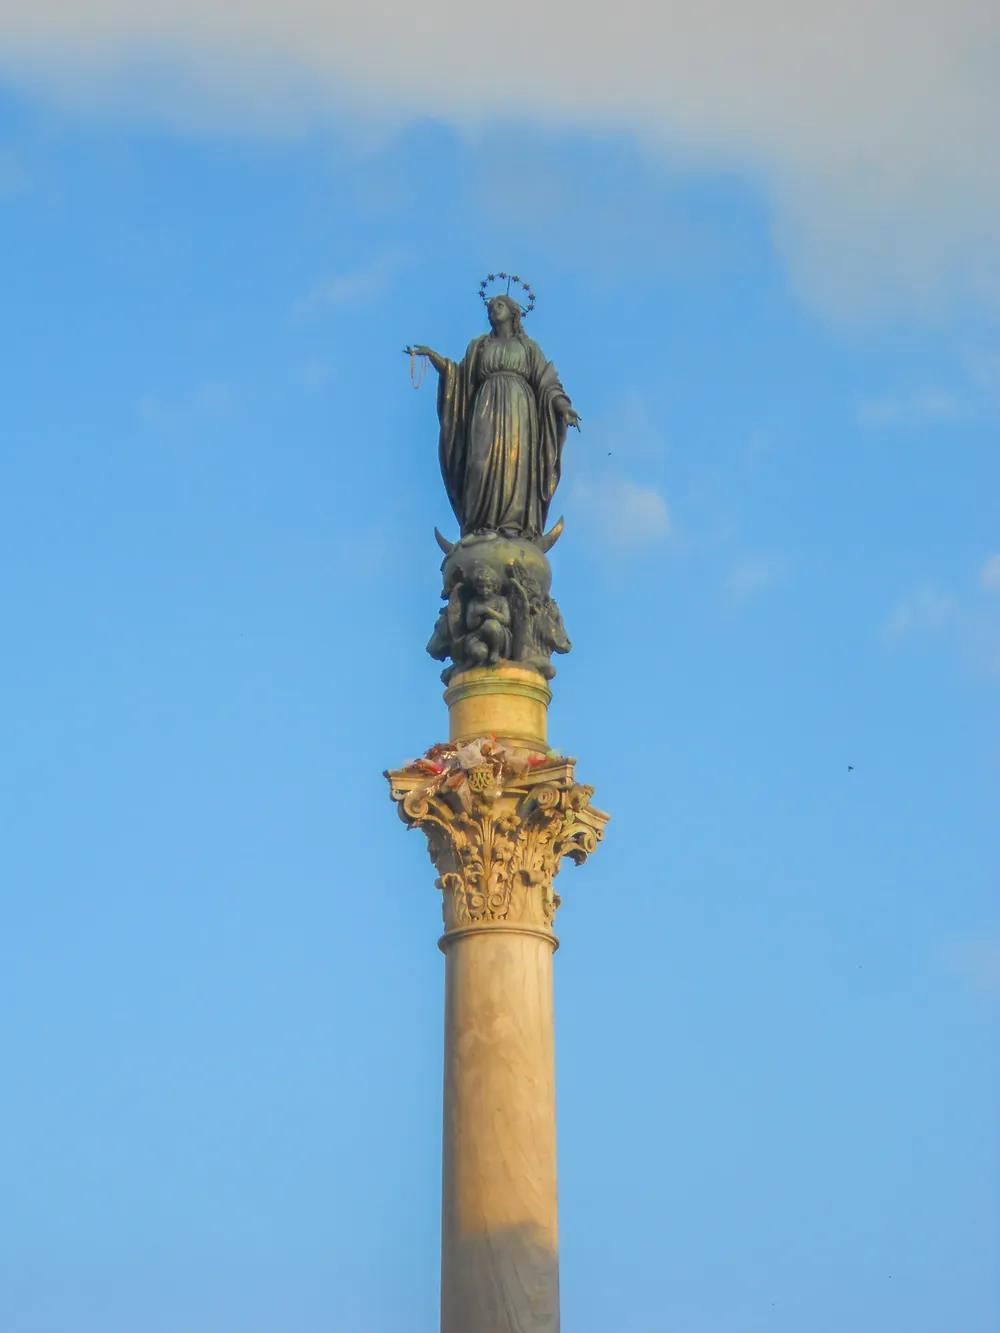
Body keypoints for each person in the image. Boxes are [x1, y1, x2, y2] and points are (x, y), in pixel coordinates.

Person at [406, 294, 580, 540]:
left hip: (520, 411)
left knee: (516, 465)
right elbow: (461, 377)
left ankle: (513, 524)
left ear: (512, 312)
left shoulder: (528, 348)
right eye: (489, 307)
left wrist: (563, 407)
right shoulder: (479, 346)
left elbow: (547, 382)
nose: (492, 310)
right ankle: (480, 523)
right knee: (479, 462)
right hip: (486, 406)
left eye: (498, 305)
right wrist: (435, 359)